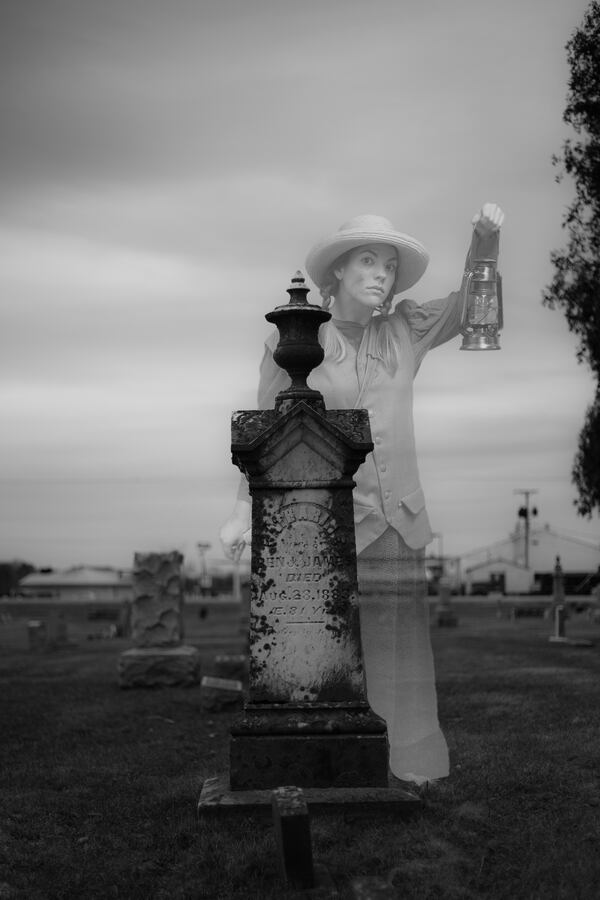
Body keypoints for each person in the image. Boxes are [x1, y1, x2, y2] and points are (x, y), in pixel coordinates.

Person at [220, 203, 505, 784]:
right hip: (330, 523)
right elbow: (263, 435)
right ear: (339, 273)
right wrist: (240, 510)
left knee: (400, 654)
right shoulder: (298, 341)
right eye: (368, 262)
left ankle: (405, 762)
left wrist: (485, 242)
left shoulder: (406, 330)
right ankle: (336, 763)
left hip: (400, 523)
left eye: (389, 267)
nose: (382, 275)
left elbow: (465, 305)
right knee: (333, 653)